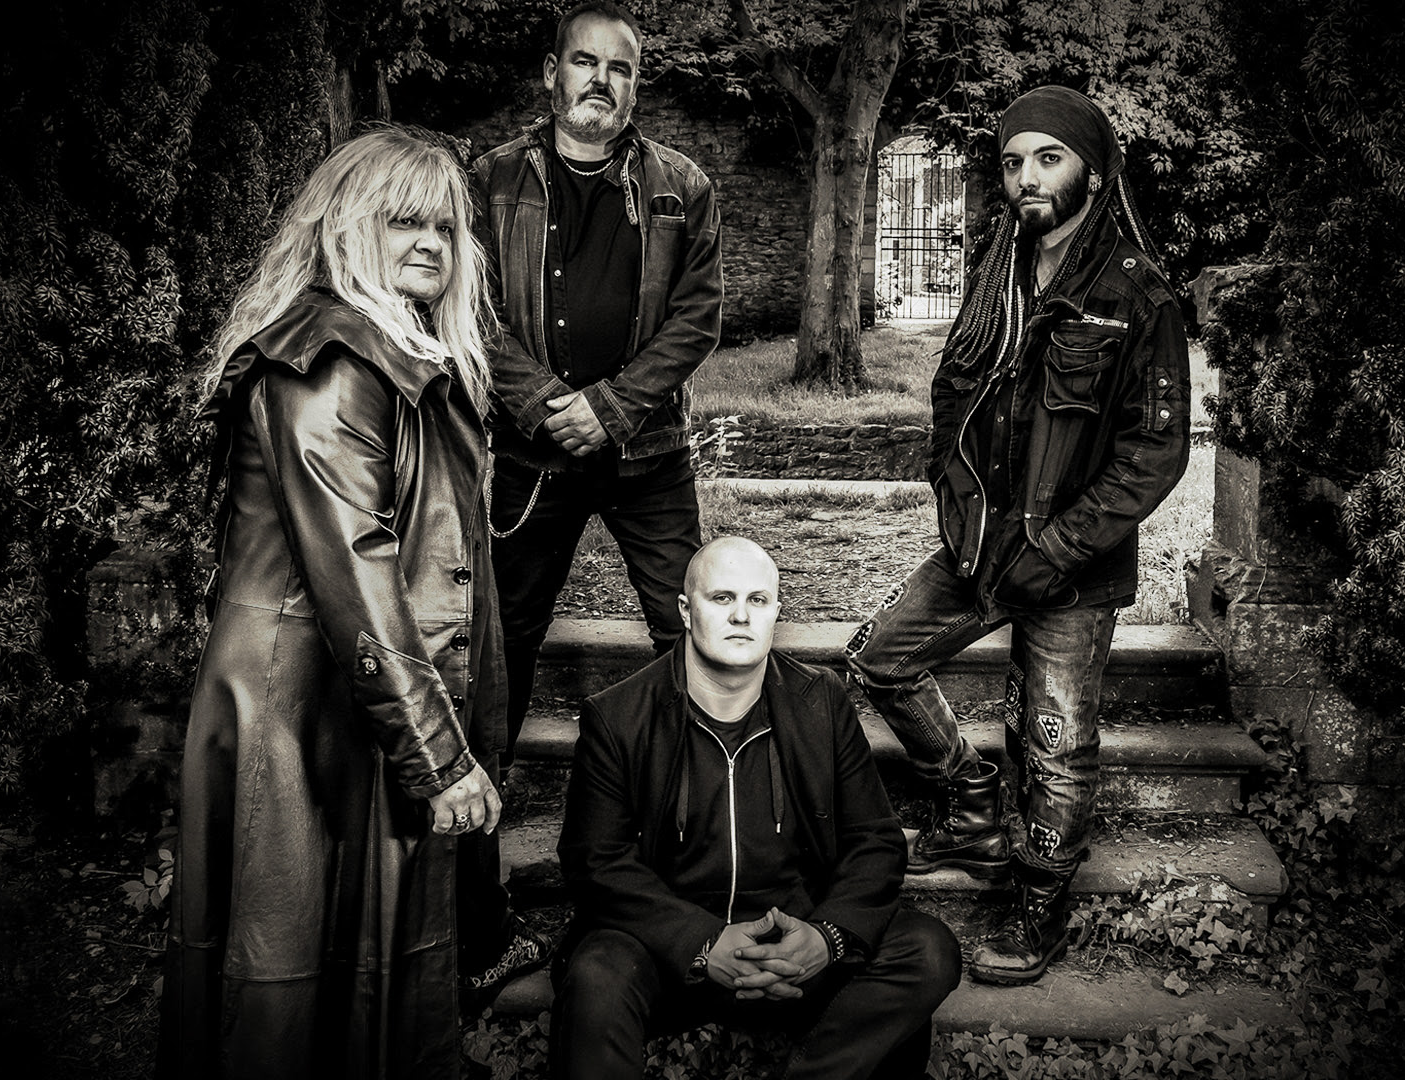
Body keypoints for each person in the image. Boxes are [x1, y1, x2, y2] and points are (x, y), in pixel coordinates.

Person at [158, 124, 506, 1079]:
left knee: (348, 968)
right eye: (404, 221)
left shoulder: (384, 351)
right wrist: (440, 757)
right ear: (347, 227)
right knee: (285, 972)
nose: (431, 242)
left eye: (446, 226)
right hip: (295, 703)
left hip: (347, 689)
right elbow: (356, 568)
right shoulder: (331, 362)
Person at [846, 86, 1192, 987]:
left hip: (1074, 569)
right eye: (1012, 161)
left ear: (1094, 171)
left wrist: (1059, 549)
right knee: (880, 660)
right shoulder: (997, 269)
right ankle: (971, 803)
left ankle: (1041, 901)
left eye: (1048, 158)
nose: (1026, 177)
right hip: (981, 546)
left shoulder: (1137, 294)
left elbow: (1155, 453)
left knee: (1057, 745)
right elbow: (954, 397)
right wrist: (954, 503)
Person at [462, 0, 725, 992]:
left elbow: (697, 317)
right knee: (501, 649)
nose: (601, 82)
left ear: (634, 86)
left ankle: (697, 850)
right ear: (552, 73)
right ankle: (470, 887)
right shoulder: (491, 180)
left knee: (690, 630)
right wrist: (543, 405)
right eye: (585, 62)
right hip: (529, 461)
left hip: (648, 455)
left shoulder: (682, 187)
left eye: (620, 68)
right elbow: (471, 310)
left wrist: (610, 408)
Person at [552, 537, 962, 1080]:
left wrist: (824, 937)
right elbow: (595, 861)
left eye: (758, 600)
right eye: (722, 598)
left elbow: (875, 841)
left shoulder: (820, 701)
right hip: (672, 954)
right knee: (597, 976)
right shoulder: (620, 716)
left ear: (775, 613)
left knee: (928, 950)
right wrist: (703, 944)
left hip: (797, 942)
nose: (741, 616)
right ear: (686, 610)